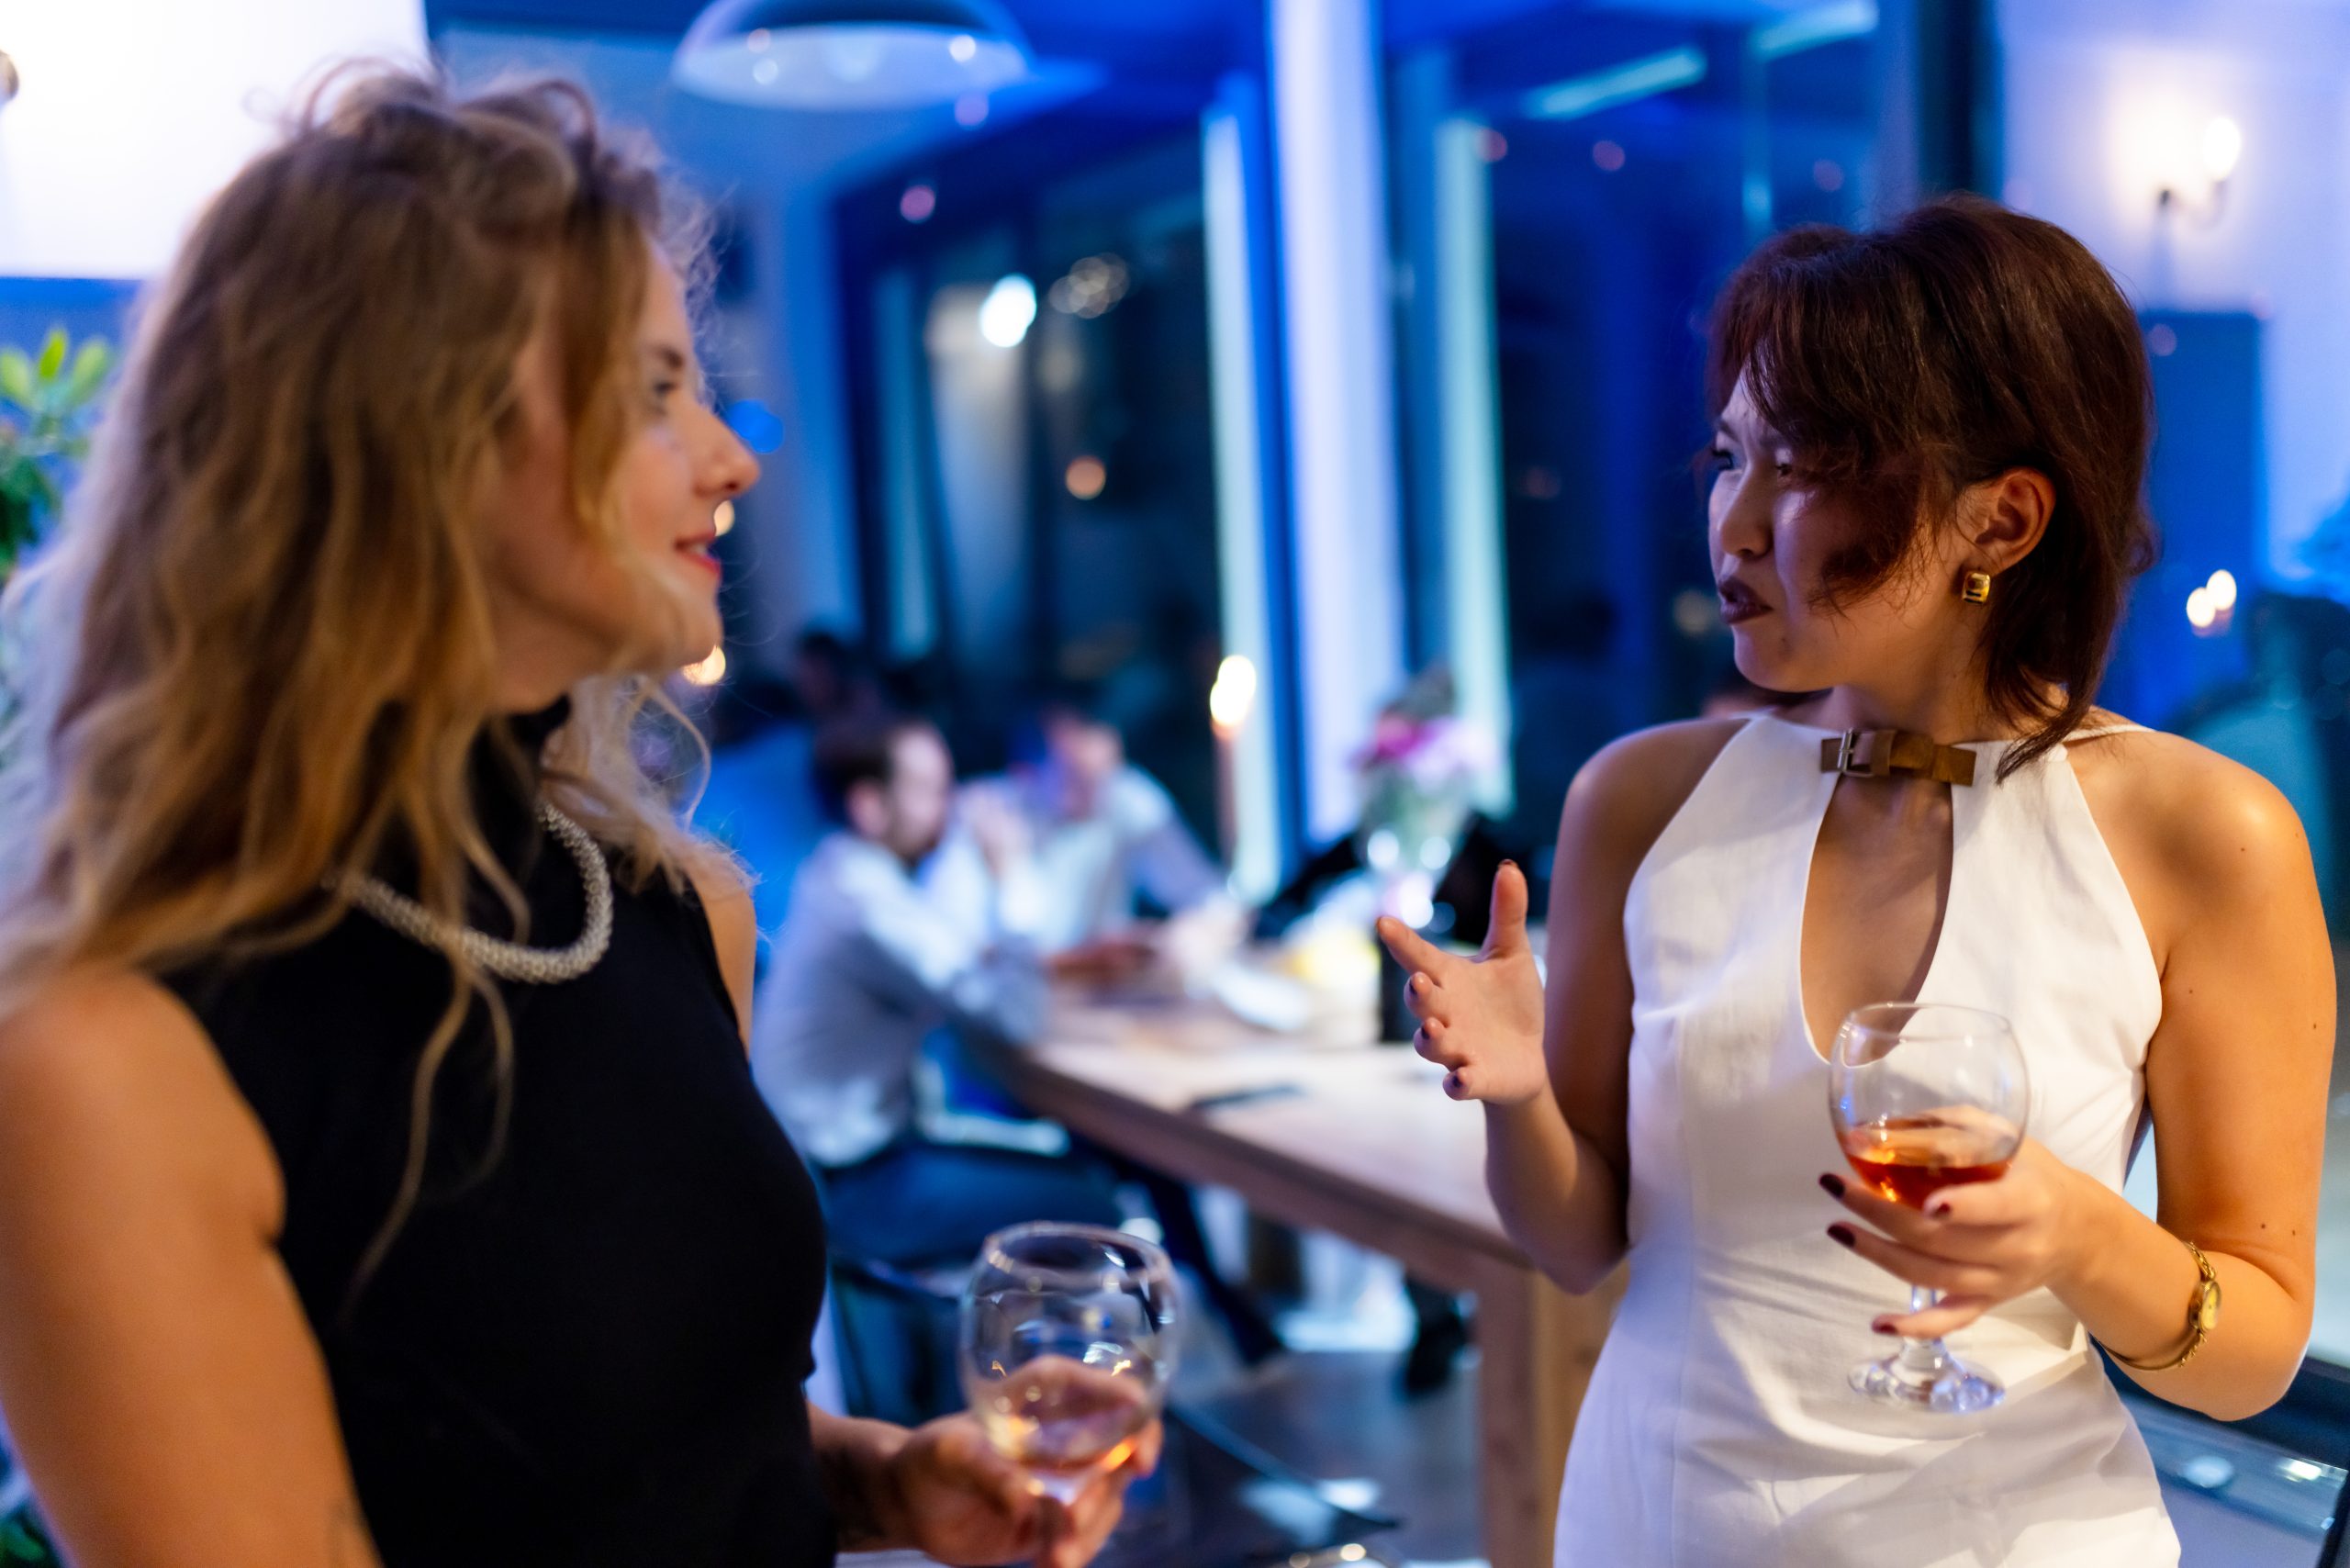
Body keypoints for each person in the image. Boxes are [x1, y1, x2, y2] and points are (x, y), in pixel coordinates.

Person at [0, 70, 1152, 1568]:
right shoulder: (111, 1065)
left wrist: (887, 1478)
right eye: (656, 391)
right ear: (419, 433)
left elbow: (656, 1446)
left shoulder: (674, 908)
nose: (732, 458)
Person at [1380, 197, 2330, 1565]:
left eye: (1804, 467)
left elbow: (2252, 1352)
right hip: (1656, 1525)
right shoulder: (1642, 802)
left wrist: (2078, 1233)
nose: (1735, 525)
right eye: (1729, 457)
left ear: (2001, 522)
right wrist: (1519, 1094)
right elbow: (1578, 1242)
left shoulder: (2202, 832)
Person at [751, 711, 1126, 1267]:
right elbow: (1018, 1016)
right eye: (930, 791)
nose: (949, 809)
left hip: (842, 1163)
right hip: (853, 1188)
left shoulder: (846, 876)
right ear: (869, 806)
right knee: (1095, 1204)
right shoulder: (867, 907)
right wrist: (1012, 871)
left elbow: (961, 956)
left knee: (1084, 1160)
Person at [925, 688, 1233, 966]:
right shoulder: (982, 813)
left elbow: (1212, 898)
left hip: (1103, 999)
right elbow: (961, 954)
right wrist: (1008, 869)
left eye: (1100, 776)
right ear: (1025, 772)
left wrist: (1190, 933)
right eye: (1073, 778)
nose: (1094, 796)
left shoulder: (1125, 797)